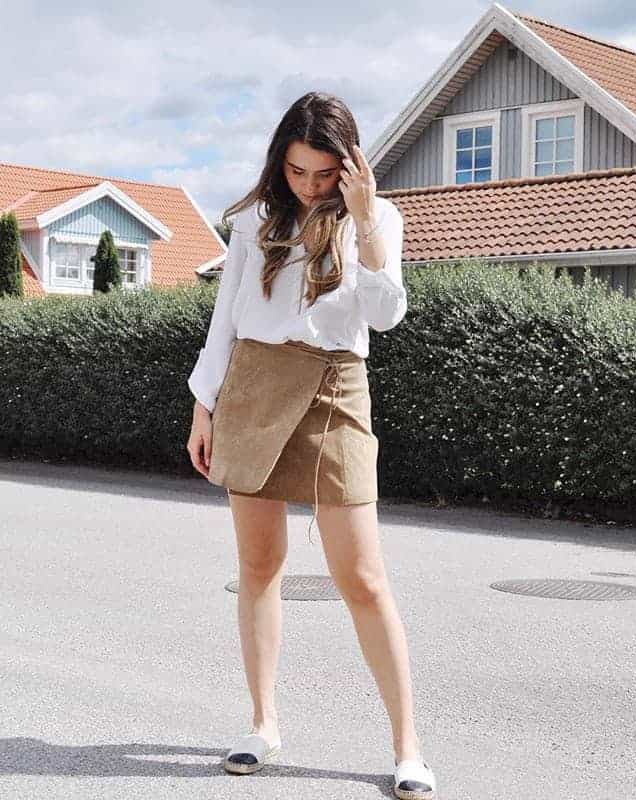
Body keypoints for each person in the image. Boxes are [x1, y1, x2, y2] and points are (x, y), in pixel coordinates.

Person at [185, 91, 437, 799]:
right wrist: (204, 407)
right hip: (254, 387)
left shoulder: (377, 216)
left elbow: (386, 318)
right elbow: (225, 322)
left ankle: (407, 746)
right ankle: (262, 724)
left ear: (350, 166)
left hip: (334, 387)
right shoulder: (253, 221)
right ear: (280, 162)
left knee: (362, 577)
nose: (309, 186)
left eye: (324, 174)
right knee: (260, 565)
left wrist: (365, 223)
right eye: (298, 172)